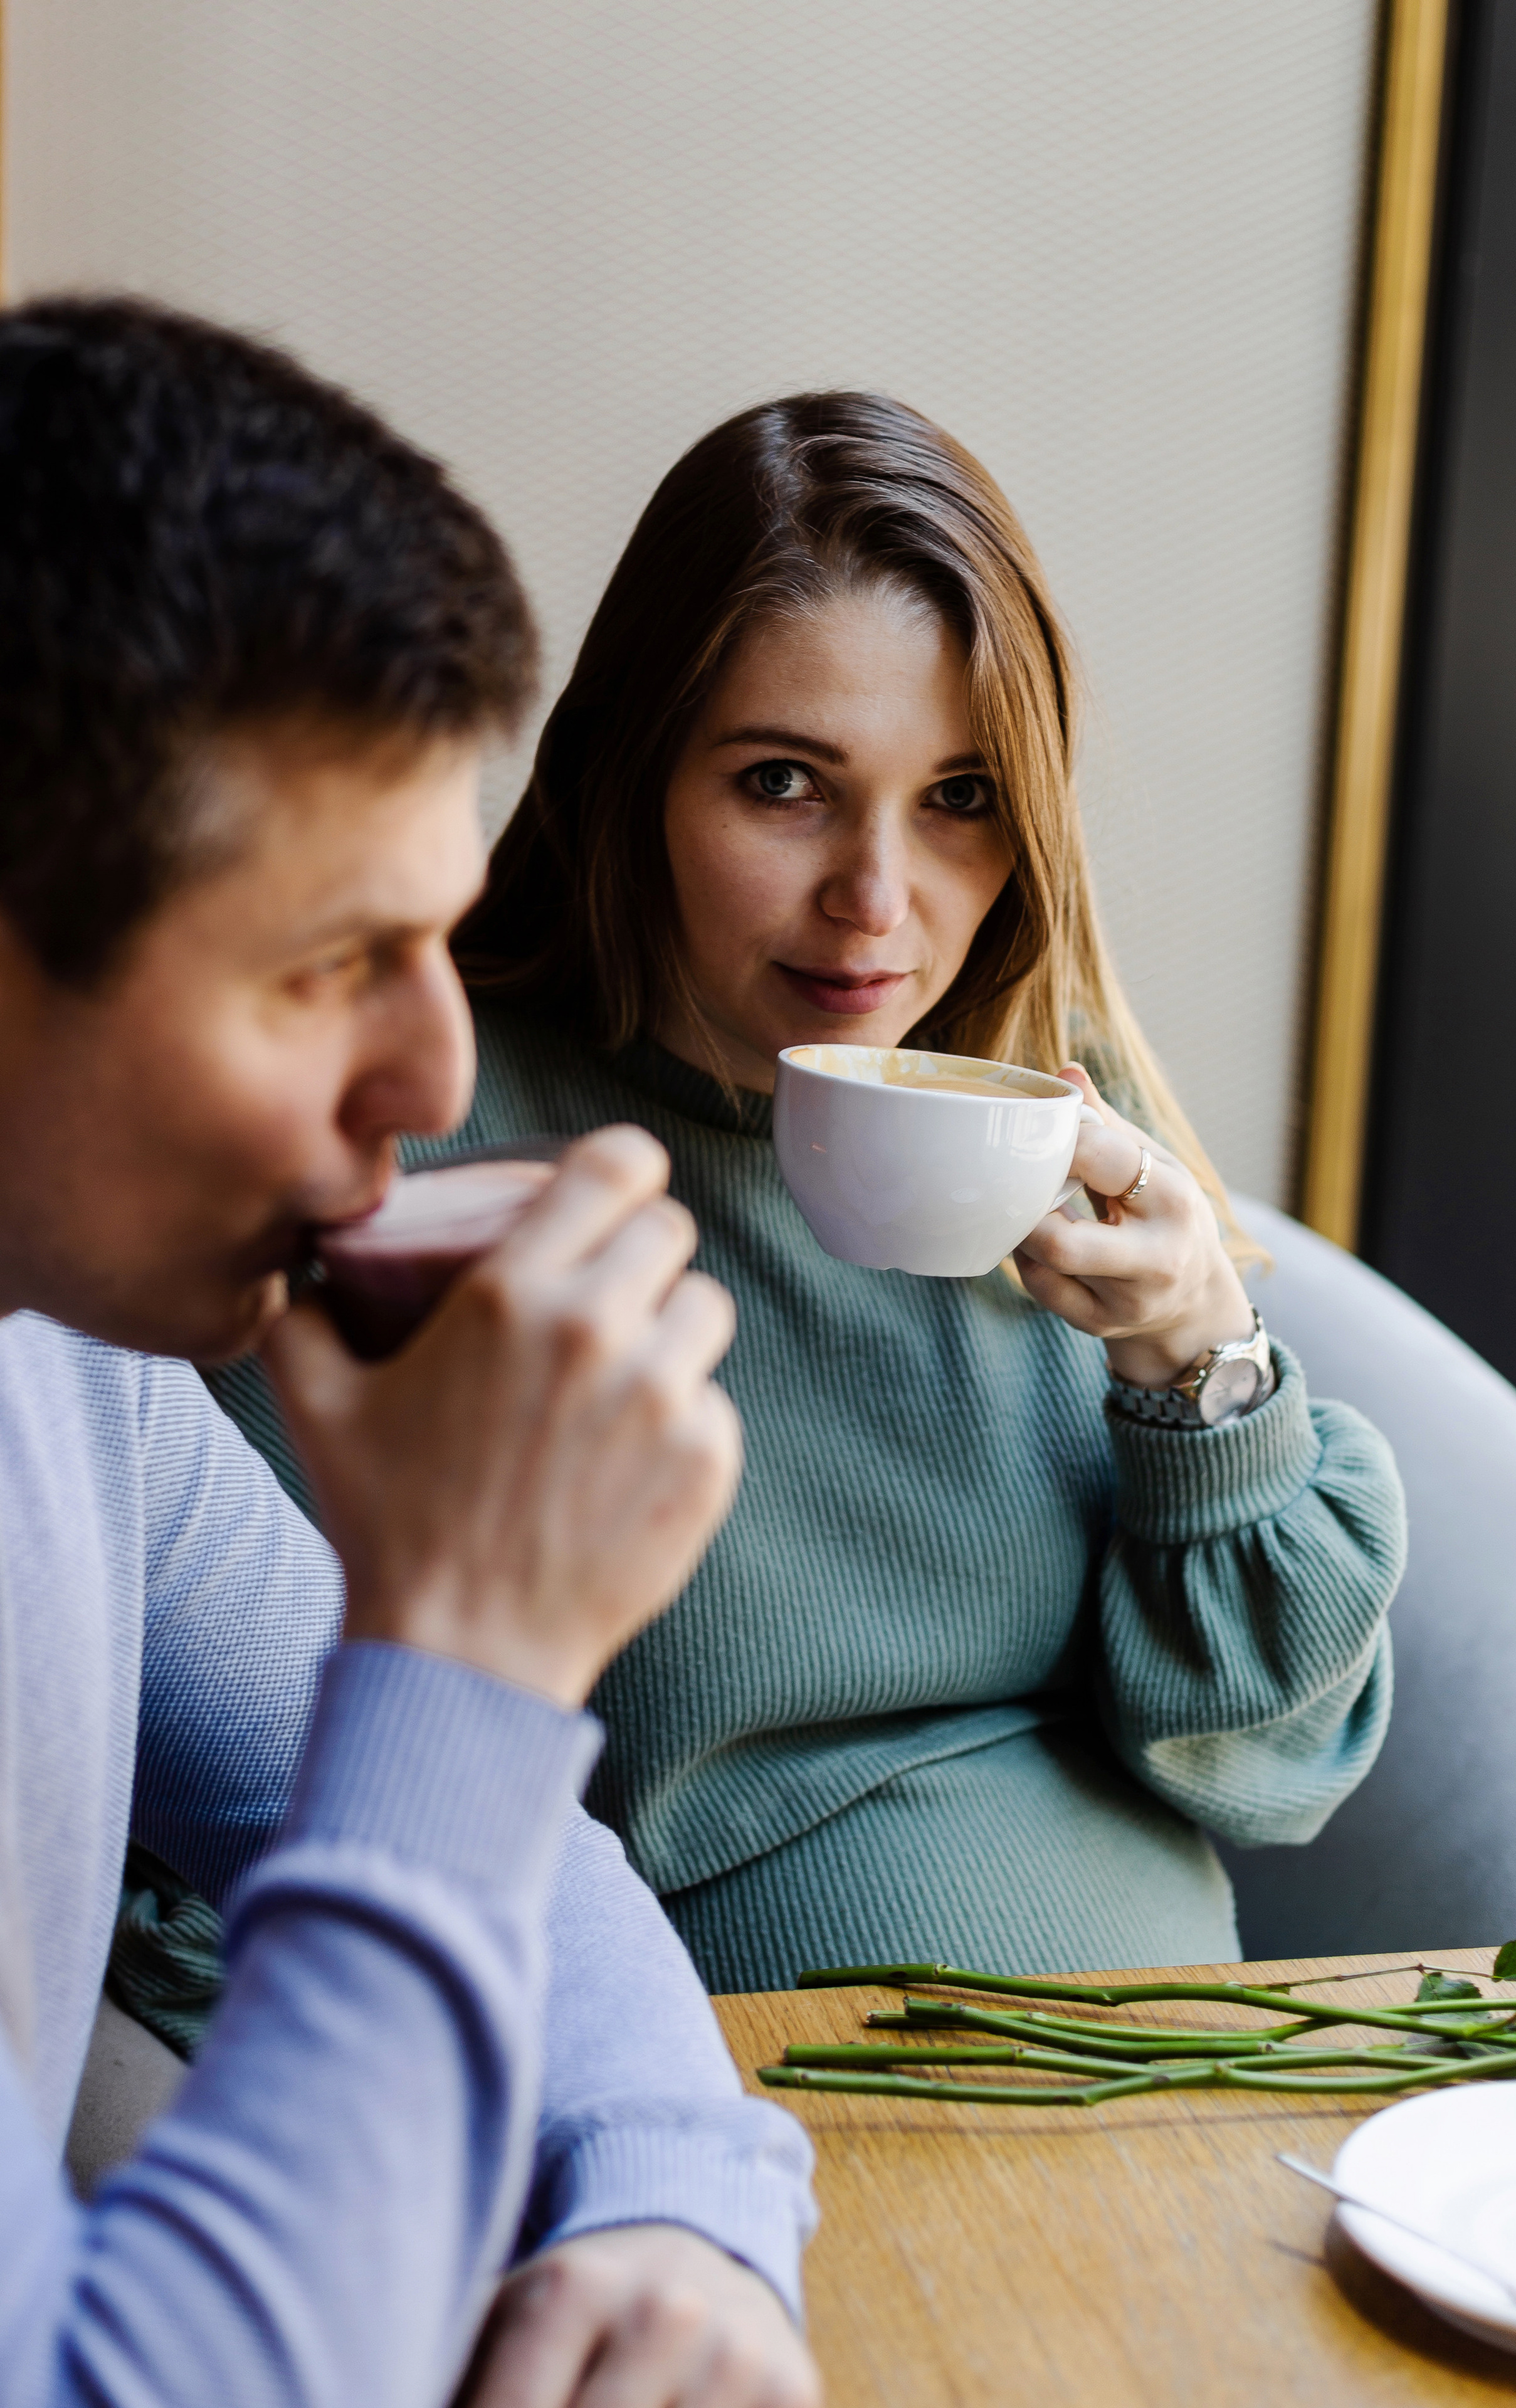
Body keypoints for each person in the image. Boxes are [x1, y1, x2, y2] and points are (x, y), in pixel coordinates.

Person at [216, 391, 1408, 1999]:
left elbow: (1264, 1766)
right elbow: (254, 1772)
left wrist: (1204, 1365)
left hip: (1165, 2095)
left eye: (960, 798)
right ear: (633, 775)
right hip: (742, 2137)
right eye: (784, 784)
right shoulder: (425, 1145)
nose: (875, 903)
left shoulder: (1035, 1105)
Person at [0, 297, 818, 2408]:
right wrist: (463, 1656)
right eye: (332, 967)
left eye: (438, 945)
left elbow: (501, 1859)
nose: (437, 1073)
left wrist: (673, 2206)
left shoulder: (64, 1366)